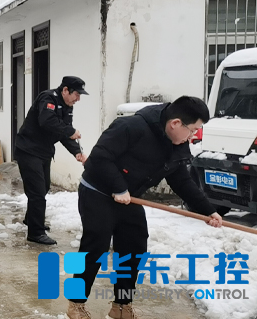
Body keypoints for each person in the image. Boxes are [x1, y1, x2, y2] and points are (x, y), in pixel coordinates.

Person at [66, 97, 223, 319]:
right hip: (97, 191)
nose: (193, 136)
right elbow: (99, 158)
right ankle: (76, 303)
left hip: (130, 197)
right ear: (175, 123)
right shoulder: (131, 126)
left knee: (134, 248)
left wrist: (208, 210)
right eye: (193, 130)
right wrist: (118, 187)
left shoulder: (177, 142)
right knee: (95, 246)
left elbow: (181, 180)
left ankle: (121, 306)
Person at [15, 76, 88, 245]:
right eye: (77, 94)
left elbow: (63, 133)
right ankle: (36, 233)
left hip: (44, 152)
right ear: (65, 90)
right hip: (28, 150)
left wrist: (77, 152)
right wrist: (70, 131)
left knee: (43, 187)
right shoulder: (47, 98)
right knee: (37, 191)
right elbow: (47, 121)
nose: (78, 99)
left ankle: (32, 219)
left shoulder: (67, 107)